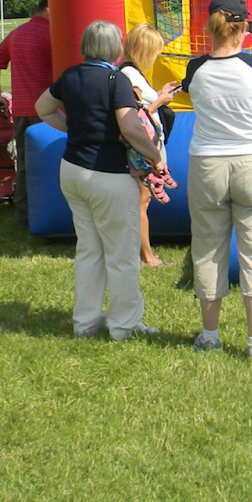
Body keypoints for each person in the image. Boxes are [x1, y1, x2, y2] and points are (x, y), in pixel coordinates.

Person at [34, 21, 164, 339]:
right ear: (115, 48)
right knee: (122, 253)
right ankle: (124, 325)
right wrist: (155, 157)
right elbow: (130, 127)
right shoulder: (116, 80)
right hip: (108, 174)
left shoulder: (71, 76)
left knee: (89, 250)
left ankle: (86, 322)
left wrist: (74, 129)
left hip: (73, 169)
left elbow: (43, 108)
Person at [183, 0, 252, 361]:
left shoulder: (195, 69)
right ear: (245, 27)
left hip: (208, 166)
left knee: (207, 249)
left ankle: (209, 335)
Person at [118, 22, 182, 267]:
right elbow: (134, 115)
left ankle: (144, 253)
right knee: (141, 201)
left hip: (148, 144)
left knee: (143, 200)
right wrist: (159, 101)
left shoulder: (133, 72)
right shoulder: (128, 75)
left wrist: (159, 94)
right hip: (142, 147)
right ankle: (146, 256)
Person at [0, 0, 53, 228]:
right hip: (48, 111)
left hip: (22, 110)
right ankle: (49, 213)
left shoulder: (17, 33)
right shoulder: (52, 34)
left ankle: (24, 215)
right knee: (50, 162)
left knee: (25, 164)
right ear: (49, 9)